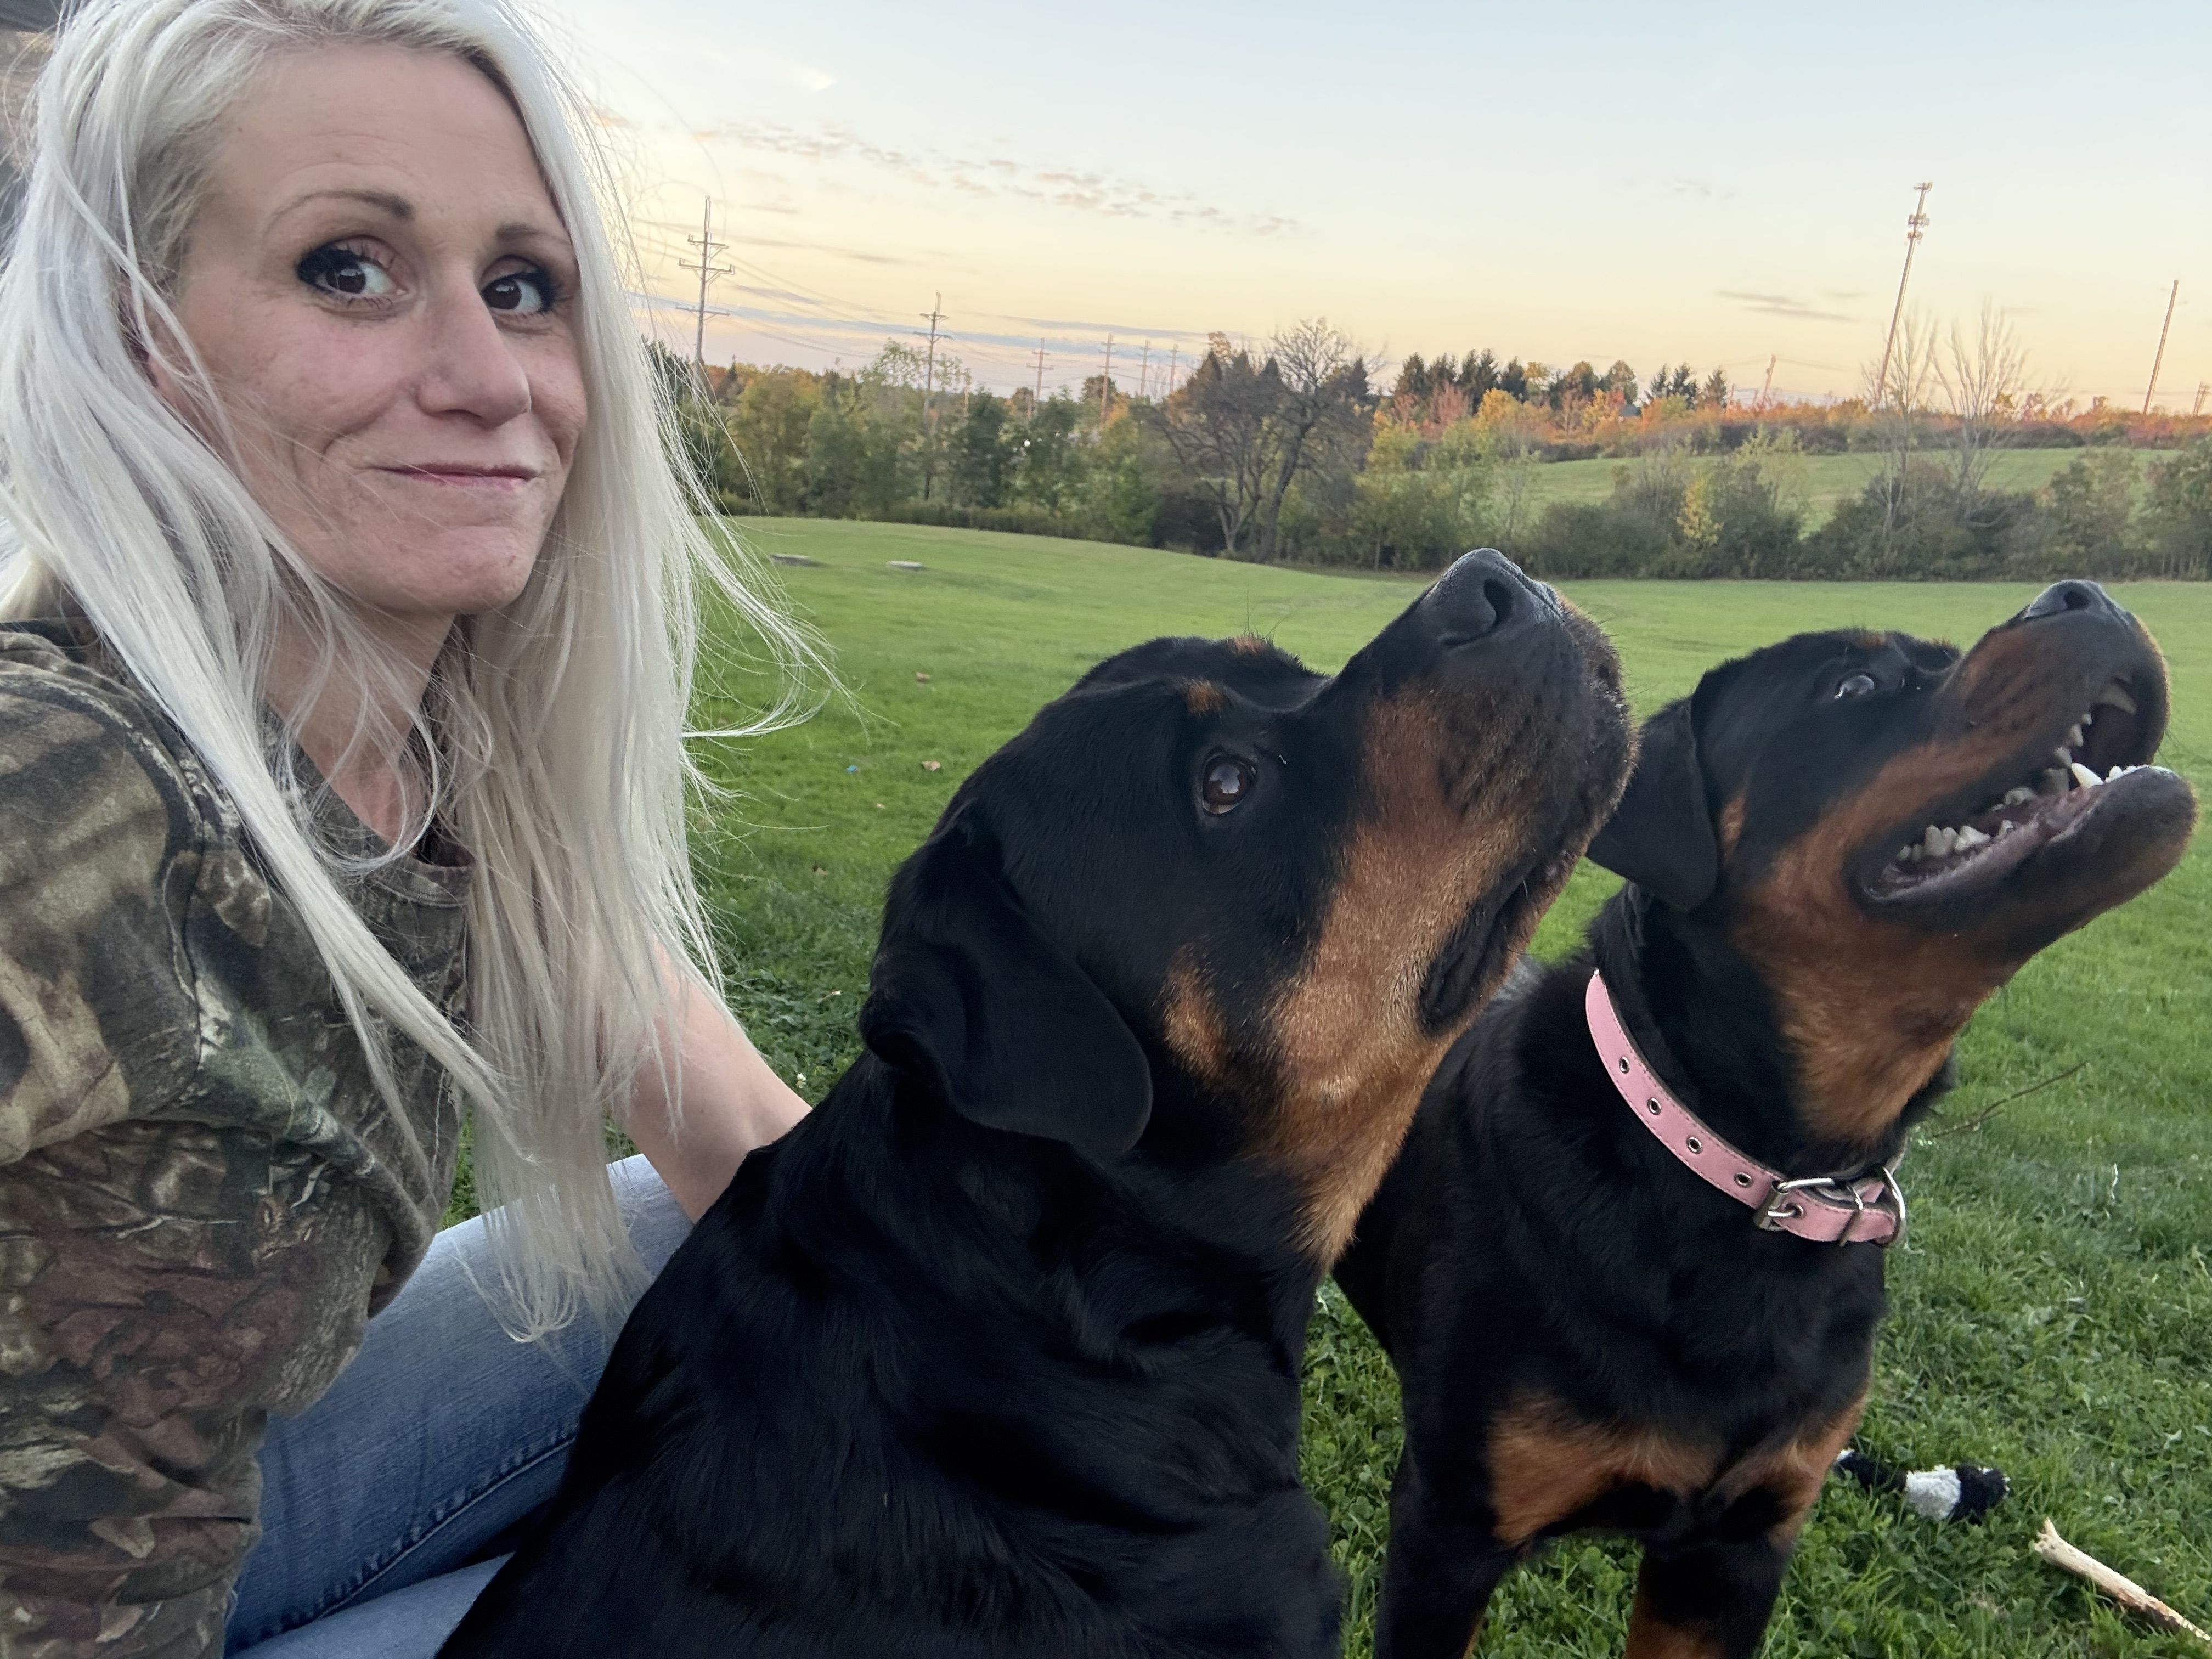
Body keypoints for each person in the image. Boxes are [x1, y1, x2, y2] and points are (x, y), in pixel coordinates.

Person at [0, 0, 822, 1652]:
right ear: (139, 336)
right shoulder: (65, 785)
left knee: (716, 1247)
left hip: (228, 1494)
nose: (489, 377)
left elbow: (754, 1154)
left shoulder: (453, 773)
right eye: (349, 270)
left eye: (523, 287)